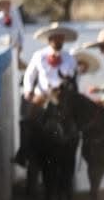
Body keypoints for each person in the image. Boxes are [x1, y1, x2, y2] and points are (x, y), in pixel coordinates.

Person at [15, 23, 79, 166]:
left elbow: (74, 78)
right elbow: (29, 75)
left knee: (77, 121)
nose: (58, 41)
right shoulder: (39, 55)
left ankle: (73, 149)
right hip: (43, 95)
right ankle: (23, 152)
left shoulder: (70, 58)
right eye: (56, 38)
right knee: (28, 119)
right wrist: (28, 91)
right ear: (50, 39)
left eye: (61, 38)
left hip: (63, 96)